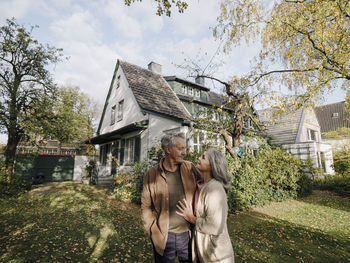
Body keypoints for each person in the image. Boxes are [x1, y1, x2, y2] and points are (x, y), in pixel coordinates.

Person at [141, 132, 200, 262]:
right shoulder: (151, 174)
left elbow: (207, 185)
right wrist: (153, 231)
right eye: (180, 149)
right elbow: (146, 207)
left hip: (188, 235)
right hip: (163, 237)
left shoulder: (190, 168)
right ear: (168, 150)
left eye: (185, 148)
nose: (184, 152)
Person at [176, 148, 235, 263]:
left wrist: (191, 218)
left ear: (212, 166)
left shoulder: (214, 188)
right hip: (203, 248)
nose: (198, 158)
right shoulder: (201, 184)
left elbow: (214, 225)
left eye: (203, 157)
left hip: (216, 253)